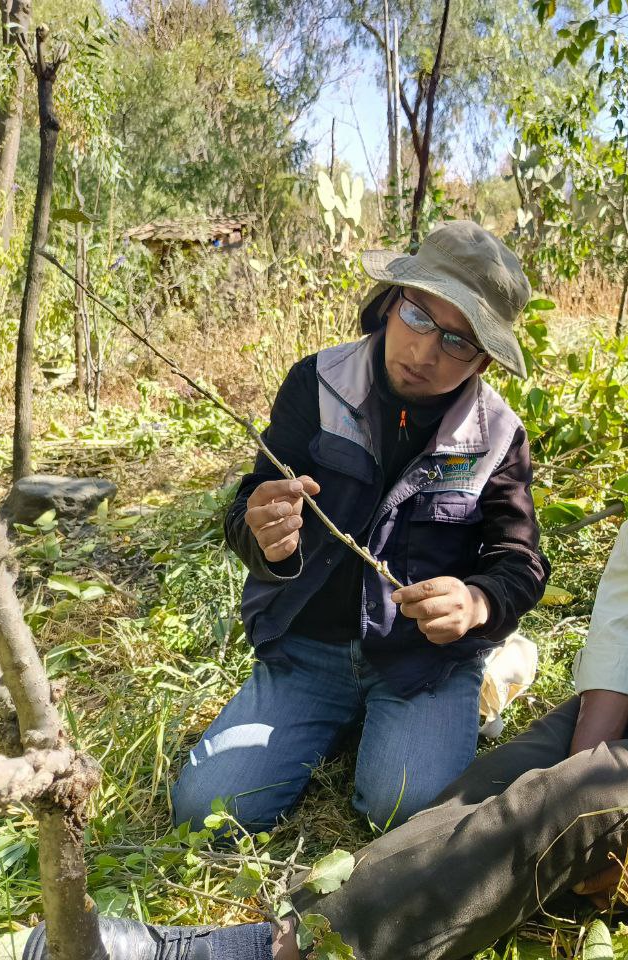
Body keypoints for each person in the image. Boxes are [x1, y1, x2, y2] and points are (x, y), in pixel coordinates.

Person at [26, 252, 628, 960]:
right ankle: (362, 892)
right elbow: (626, 609)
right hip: (346, 662)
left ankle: (284, 947)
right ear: (390, 303)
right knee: (483, 787)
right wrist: (587, 751)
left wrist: (480, 607)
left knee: (517, 803)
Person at [169, 220, 550, 832]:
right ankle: (340, 715)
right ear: (389, 303)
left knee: (404, 813)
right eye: (419, 317)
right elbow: (247, 511)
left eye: (457, 342)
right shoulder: (317, 385)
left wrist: (477, 602)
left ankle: (480, 685)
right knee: (207, 813)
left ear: (484, 358)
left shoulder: (496, 434)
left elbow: (520, 561)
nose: (425, 353)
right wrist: (264, 533)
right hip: (309, 651)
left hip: (423, 664)